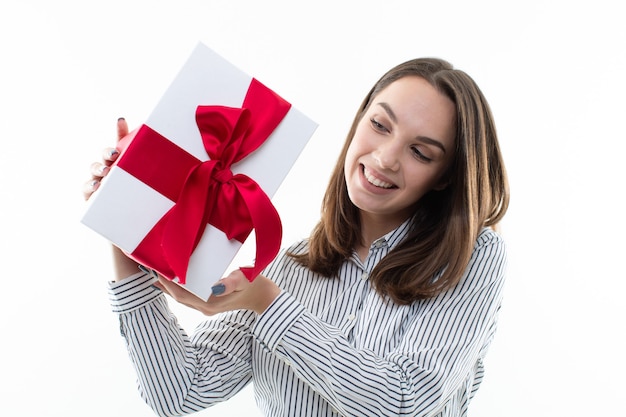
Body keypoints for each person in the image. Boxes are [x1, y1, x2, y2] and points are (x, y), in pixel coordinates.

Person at [84, 57, 509, 417]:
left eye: (421, 152)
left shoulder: (471, 257)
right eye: (380, 125)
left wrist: (269, 306)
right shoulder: (290, 266)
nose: (385, 158)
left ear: (444, 177)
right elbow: (182, 390)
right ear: (359, 121)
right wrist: (123, 226)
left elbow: (406, 401)